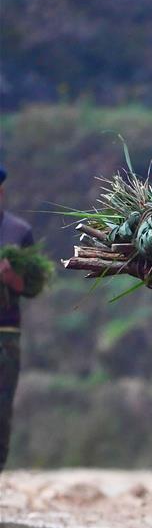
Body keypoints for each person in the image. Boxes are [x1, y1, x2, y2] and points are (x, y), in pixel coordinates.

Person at [0, 164, 35, 472]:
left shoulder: (18, 232)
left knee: (1, 408)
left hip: (5, 334)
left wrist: (10, 277)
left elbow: (32, 286)